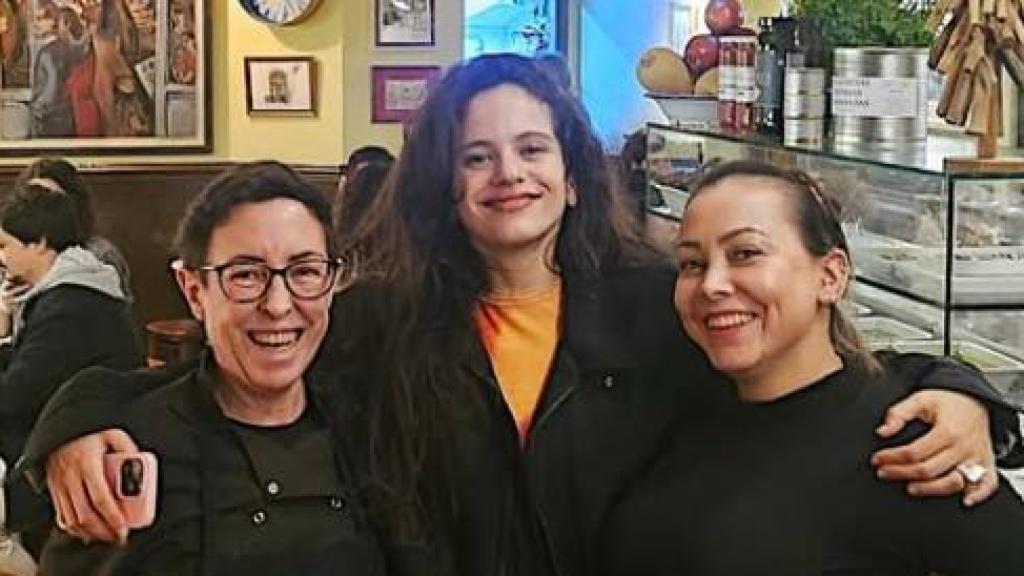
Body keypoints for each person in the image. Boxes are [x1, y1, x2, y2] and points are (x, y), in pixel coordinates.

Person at [15, 55, 1022, 576]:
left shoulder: (657, 302)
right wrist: (72, 413)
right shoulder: (378, 320)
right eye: (477, 155)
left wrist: (963, 391)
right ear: (443, 185)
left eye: (533, 149)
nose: (508, 174)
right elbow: (216, 382)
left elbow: (811, 364)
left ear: (573, 173)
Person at [597, 160, 1024, 575]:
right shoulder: (683, 397)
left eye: (746, 253)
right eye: (692, 263)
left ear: (831, 276)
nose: (712, 284)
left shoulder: (912, 449)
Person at [35, 161, 385, 575]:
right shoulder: (132, 448)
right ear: (195, 291)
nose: (278, 305)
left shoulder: (372, 430)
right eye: (246, 275)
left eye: (305, 272)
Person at [0, 178, 140, 556]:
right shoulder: (63, 290)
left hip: (80, 450)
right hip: (58, 427)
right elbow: (25, 362)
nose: (2, 259)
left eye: (5, 247)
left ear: (39, 243)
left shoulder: (72, 304)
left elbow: (15, 396)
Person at [14, 157, 133, 304]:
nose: (40, 208)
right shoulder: (12, 254)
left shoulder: (100, 256)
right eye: (32, 197)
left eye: (50, 199)